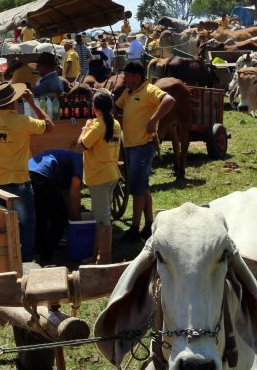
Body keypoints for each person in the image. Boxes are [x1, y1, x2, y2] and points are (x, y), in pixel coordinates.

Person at [0, 82, 52, 262]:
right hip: (19, 183)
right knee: (26, 224)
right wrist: (32, 103)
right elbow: (49, 125)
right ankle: (25, 260)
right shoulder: (24, 122)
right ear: (14, 101)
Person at [116, 61, 175, 242]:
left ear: (136, 76)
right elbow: (117, 108)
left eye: (127, 75)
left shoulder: (149, 90)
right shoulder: (129, 92)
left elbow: (169, 100)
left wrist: (153, 119)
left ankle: (134, 228)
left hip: (143, 145)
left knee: (136, 188)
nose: (124, 78)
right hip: (131, 146)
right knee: (143, 186)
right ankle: (149, 224)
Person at [78, 90, 121, 263]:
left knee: (102, 219)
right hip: (111, 174)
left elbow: (81, 145)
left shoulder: (97, 126)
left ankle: (104, 258)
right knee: (103, 215)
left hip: (99, 177)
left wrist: (84, 128)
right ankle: (98, 254)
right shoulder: (115, 123)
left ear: (95, 109)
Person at [28, 149, 83, 264]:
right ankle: (47, 255)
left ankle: (40, 250)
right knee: (60, 218)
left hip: (30, 171)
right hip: (44, 174)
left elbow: (65, 194)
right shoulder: (80, 161)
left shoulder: (68, 160)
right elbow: (73, 194)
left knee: (41, 213)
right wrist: (77, 222)